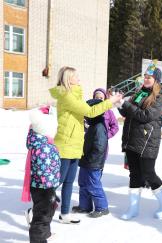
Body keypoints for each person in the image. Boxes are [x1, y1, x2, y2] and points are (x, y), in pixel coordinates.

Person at [49, 66, 123, 224]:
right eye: (76, 76)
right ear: (69, 79)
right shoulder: (67, 95)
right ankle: (36, 211)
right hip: (66, 145)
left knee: (69, 182)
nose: (79, 79)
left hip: (76, 145)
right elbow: (90, 111)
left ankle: (65, 214)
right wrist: (110, 101)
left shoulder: (75, 95)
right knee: (58, 182)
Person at [119, 63, 162, 220]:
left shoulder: (161, 97)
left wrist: (126, 105)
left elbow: (145, 116)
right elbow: (129, 112)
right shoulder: (140, 92)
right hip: (133, 138)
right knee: (134, 174)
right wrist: (119, 104)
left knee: (148, 173)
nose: (146, 79)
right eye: (145, 77)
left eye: (149, 77)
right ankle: (133, 208)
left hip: (148, 141)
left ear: (156, 80)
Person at [24, 107, 60, 243]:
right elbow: (42, 169)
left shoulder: (43, 143)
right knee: (42, 216)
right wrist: (49, 188)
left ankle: (46, 234)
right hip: (44, 187)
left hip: (45, 185)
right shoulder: (43, 146)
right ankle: (38, 239)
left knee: (47, 212)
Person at [72, 99, 110, 218]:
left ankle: (102, 207)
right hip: (85, 161)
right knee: (83, 183)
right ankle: (85, 206)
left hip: (93, 163)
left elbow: (99, 147)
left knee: (94, 184)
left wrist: (91, 159)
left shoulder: (99, 127)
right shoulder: (92, 126)